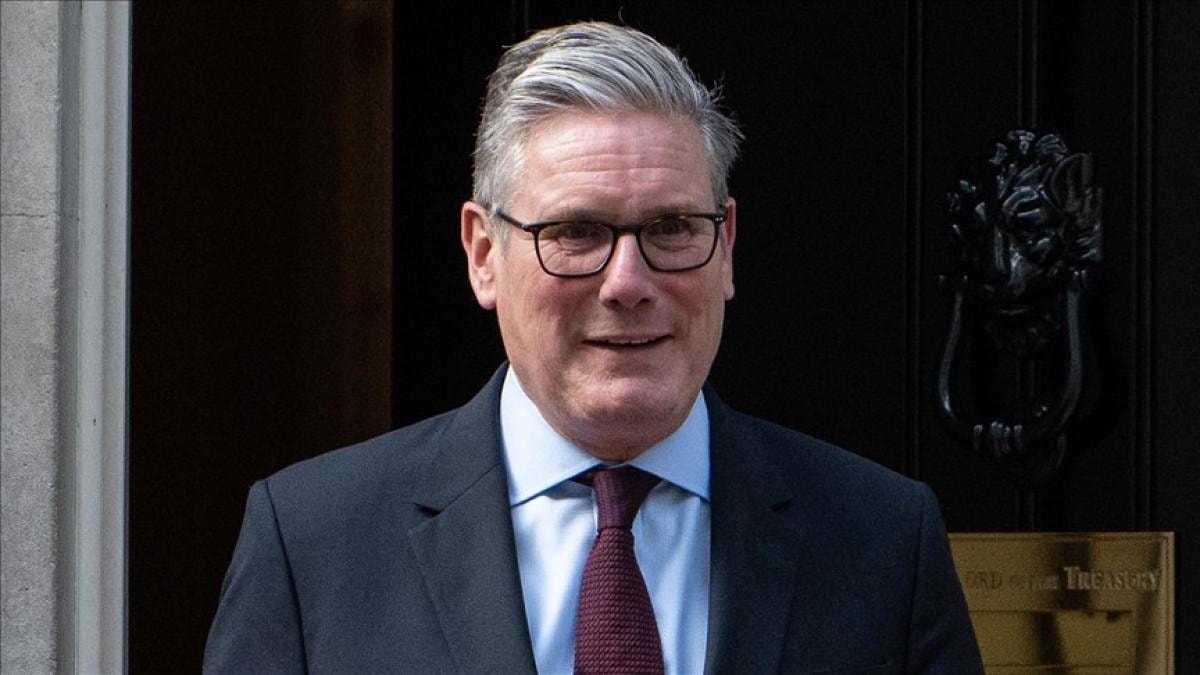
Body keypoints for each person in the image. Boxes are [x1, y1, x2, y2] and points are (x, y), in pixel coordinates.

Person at [204, 21, 983, 674]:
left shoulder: (883, 542)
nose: (628, 281)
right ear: (483, 253)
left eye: (671, 227)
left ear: (727, 246)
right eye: (575, 232)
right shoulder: (314, 545)